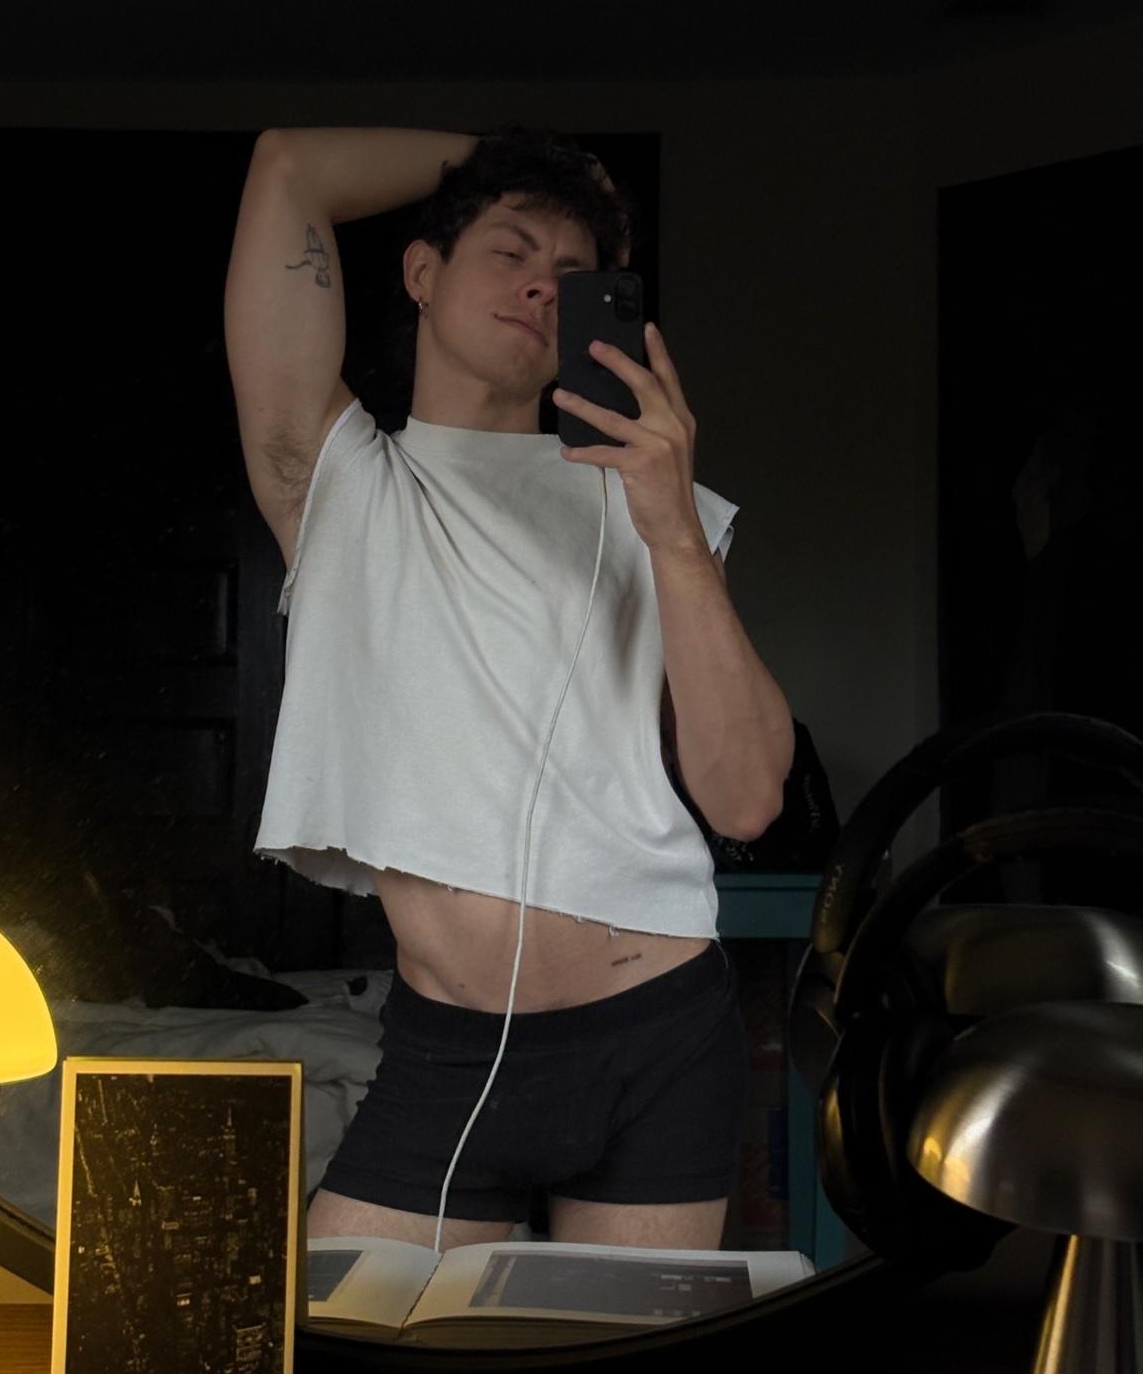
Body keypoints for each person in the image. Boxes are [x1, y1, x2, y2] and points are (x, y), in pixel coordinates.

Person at [225, 125, 793, 1252]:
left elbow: (746, 798)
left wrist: (673, 526)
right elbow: (288, 167)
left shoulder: (655, 506)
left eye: (575, 276)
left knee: (623, 1368)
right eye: (511, 248)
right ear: (421, 273)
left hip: (661, 1039)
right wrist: (525, 157)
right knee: (336, 1345)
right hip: (449, 1056)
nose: (543, 283)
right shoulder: (343, 485)